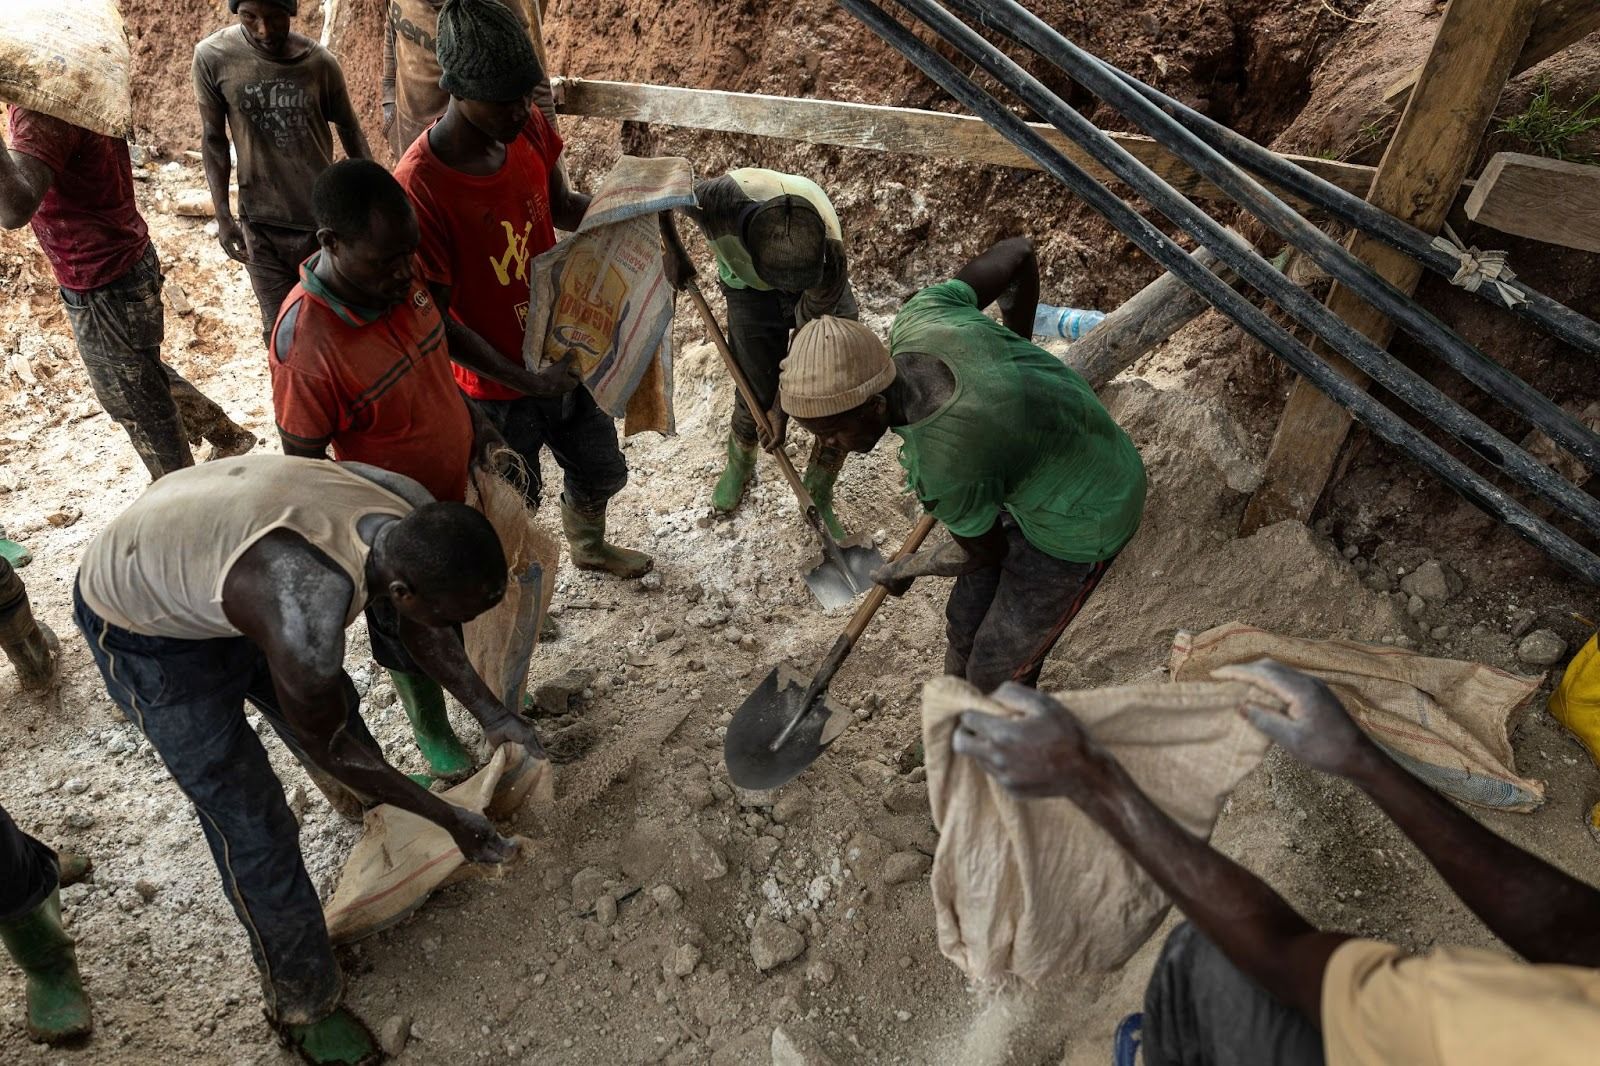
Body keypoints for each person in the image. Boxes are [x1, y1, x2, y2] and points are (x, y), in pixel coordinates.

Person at [72, 455, 544, 1064]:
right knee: (252, 819)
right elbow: (330, 744)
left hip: (212, 560)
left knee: (333, 709)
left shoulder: (407, 505)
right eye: (460, 615)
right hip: (143, 626)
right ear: (402, 590)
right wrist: (451, 820)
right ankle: (302, 1003)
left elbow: (422, 625)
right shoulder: (305, 617)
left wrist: (494, 714)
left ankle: (387, 832)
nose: (462, 627)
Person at [955, 663, 1600, 1065]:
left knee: (1203, 963)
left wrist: (1092, 779)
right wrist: (1360, 759)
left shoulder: (1504, 1031)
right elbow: (1574, 931)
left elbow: (1276, 951)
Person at [778, 237, 1146, 693]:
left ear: (874, 406)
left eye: (832, 431)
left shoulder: (945, 461)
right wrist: (1016, 343)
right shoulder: (922, 316)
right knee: (964, 623)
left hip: (1086, 513)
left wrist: (907, 568)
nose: (831, 445)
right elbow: (1017, 254)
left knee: (996, 671)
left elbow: (982, 552)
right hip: (1033, 460)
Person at [394, 0, 652, 579]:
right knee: (514, 499)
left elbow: (561, 206)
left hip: (564, 346)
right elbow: (438, 324)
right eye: (504, 99)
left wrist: (633, 219)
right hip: (494, 383)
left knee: (600, 467)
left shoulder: (527, 127)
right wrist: (526, 381)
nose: (522, 110)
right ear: (456, 88)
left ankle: (586, 544)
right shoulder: (421, 188)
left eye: (524, 93)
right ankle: (520, 580)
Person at [270, 158, 503, 781]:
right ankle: (433, 731)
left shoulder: (397, 265)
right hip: (392, 529)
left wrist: (474, 419)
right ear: (331, 244)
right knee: (407, 630)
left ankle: (487, 692)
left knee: (461, 606)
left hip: (453, 493)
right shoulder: (306, 348)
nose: (406, 273)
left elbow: (439, 335)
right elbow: (305, 471)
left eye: (410, 257)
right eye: (386, 263)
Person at [0, 112, 255, 480]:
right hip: (120, 261)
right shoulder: (74, 86)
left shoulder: (43, 114)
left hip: (101, 279)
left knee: (134, 401)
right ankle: (226, 438)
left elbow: (13, 210)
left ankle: (179, 494)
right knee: (139, 377)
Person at [662, 170, 860, 532]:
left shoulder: (829, 253)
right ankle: (740, 461)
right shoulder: (715, 201)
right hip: (748, 290)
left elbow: (804, 352)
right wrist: (672, 247)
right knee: (754, 385)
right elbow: (659, 190)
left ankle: (819, 487)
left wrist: (781, 411)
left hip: (817, 291)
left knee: (836, 387)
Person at [194, 0, 372, 345]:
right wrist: (223, 216)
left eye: (275, 17)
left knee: (334, 328)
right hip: (261, 226)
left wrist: (370, 202)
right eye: (250, 17)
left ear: (291, 10)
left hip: (321, 228)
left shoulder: (320, 64)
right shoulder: (213, 57)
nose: (264, 30)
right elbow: (214, 140)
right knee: (281, 334)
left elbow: (351, 131)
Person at [383, 0, 557, 158]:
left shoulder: (491, 6)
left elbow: (528, 73)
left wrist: (548, 156)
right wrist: (389, 102)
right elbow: (392, 24)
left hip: (470, 147)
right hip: (407, 134)